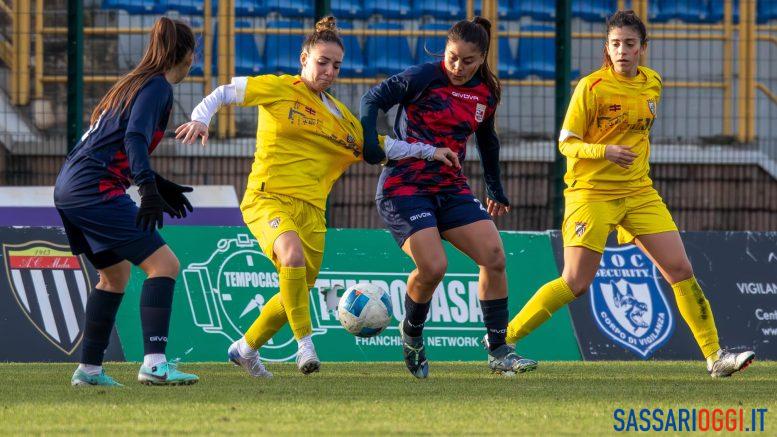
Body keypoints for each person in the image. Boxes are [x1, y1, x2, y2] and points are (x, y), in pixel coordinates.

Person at [175, 16, 456, 377]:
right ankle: (304, 345)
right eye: (322, 62)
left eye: (336, 65)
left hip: (313, 212)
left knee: (294, 290)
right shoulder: (280, 88)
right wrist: (202, 117)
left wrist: (431, 152)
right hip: (268, 198)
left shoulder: (340, 117)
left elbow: (382, 145)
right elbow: (226, 91)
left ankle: (245, 349)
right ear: (304, 58)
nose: (329, 71)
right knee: (291, 257)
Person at [504, 10, 755, 378]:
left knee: (680, 269)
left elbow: (638, 135)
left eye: (630, 44)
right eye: (616, 44)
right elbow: (566, 144)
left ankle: (715, 357)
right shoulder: (590, 88)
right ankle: (503, 338)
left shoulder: (653, 83)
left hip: (638, 192)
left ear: (642, 49)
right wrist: (604, 151)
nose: (622, 50)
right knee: (575, 282)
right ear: (607, 48)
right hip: (590, 193)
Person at [360, 17, 537, 379]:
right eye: (452, 57)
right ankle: (411, 333)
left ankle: (499, 349)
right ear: (445, 50)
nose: (457, 67)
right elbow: (371, 98)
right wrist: (369, 142)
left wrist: (494, 187)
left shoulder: (486, 92)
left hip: (450, 187)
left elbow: (487, 140)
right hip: (404, 186)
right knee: (434, 268)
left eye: (468, 61)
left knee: (494, 256)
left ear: (482, 58)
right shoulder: (423, 77)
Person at [55, 17, 199, 386]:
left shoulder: (132, 84)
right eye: (193, 54)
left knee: (114, 276)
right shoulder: (157, 87)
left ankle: (88, 370)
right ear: (182, 55)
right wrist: (148, 189)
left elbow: (114, 142)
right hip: (94, 189)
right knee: (164, 265)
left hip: (70, 187)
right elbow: (134, 137)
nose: (193, 63)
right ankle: (154, 363)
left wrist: (157, 183)